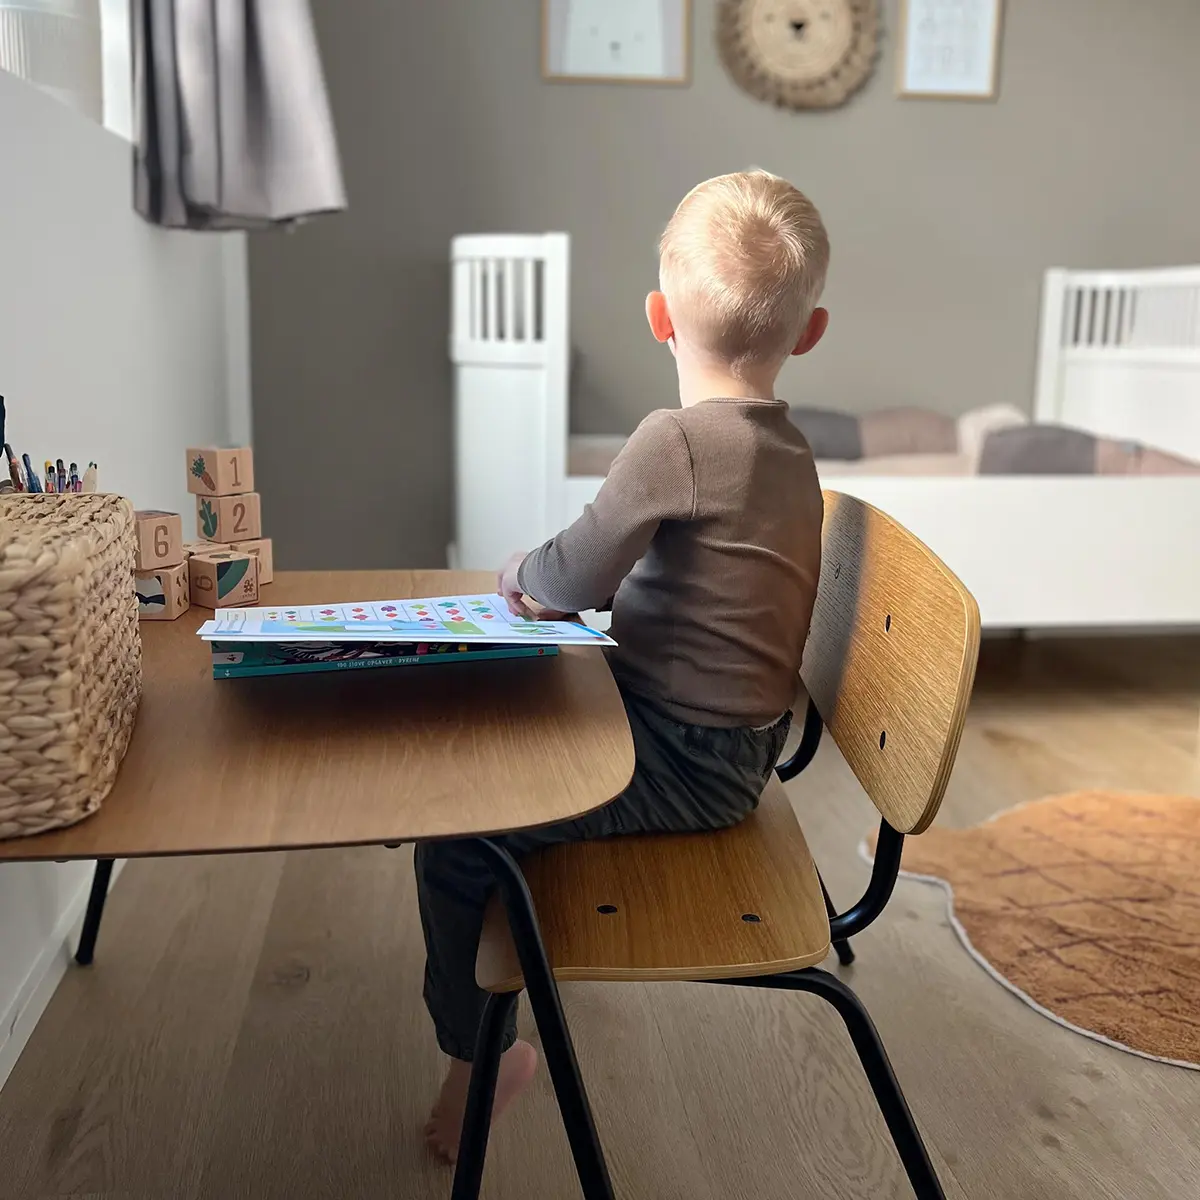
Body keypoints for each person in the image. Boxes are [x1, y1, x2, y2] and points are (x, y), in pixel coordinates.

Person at [418, 170, 830, 1162]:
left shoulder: (674, 440)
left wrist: (520, 573)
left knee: (457, 838)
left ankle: (477, 1060)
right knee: (502, 724)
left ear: (659, 317)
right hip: (729, 744)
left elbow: (571, 574)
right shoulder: (791, 449)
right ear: (810, 333)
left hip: (684, 757)